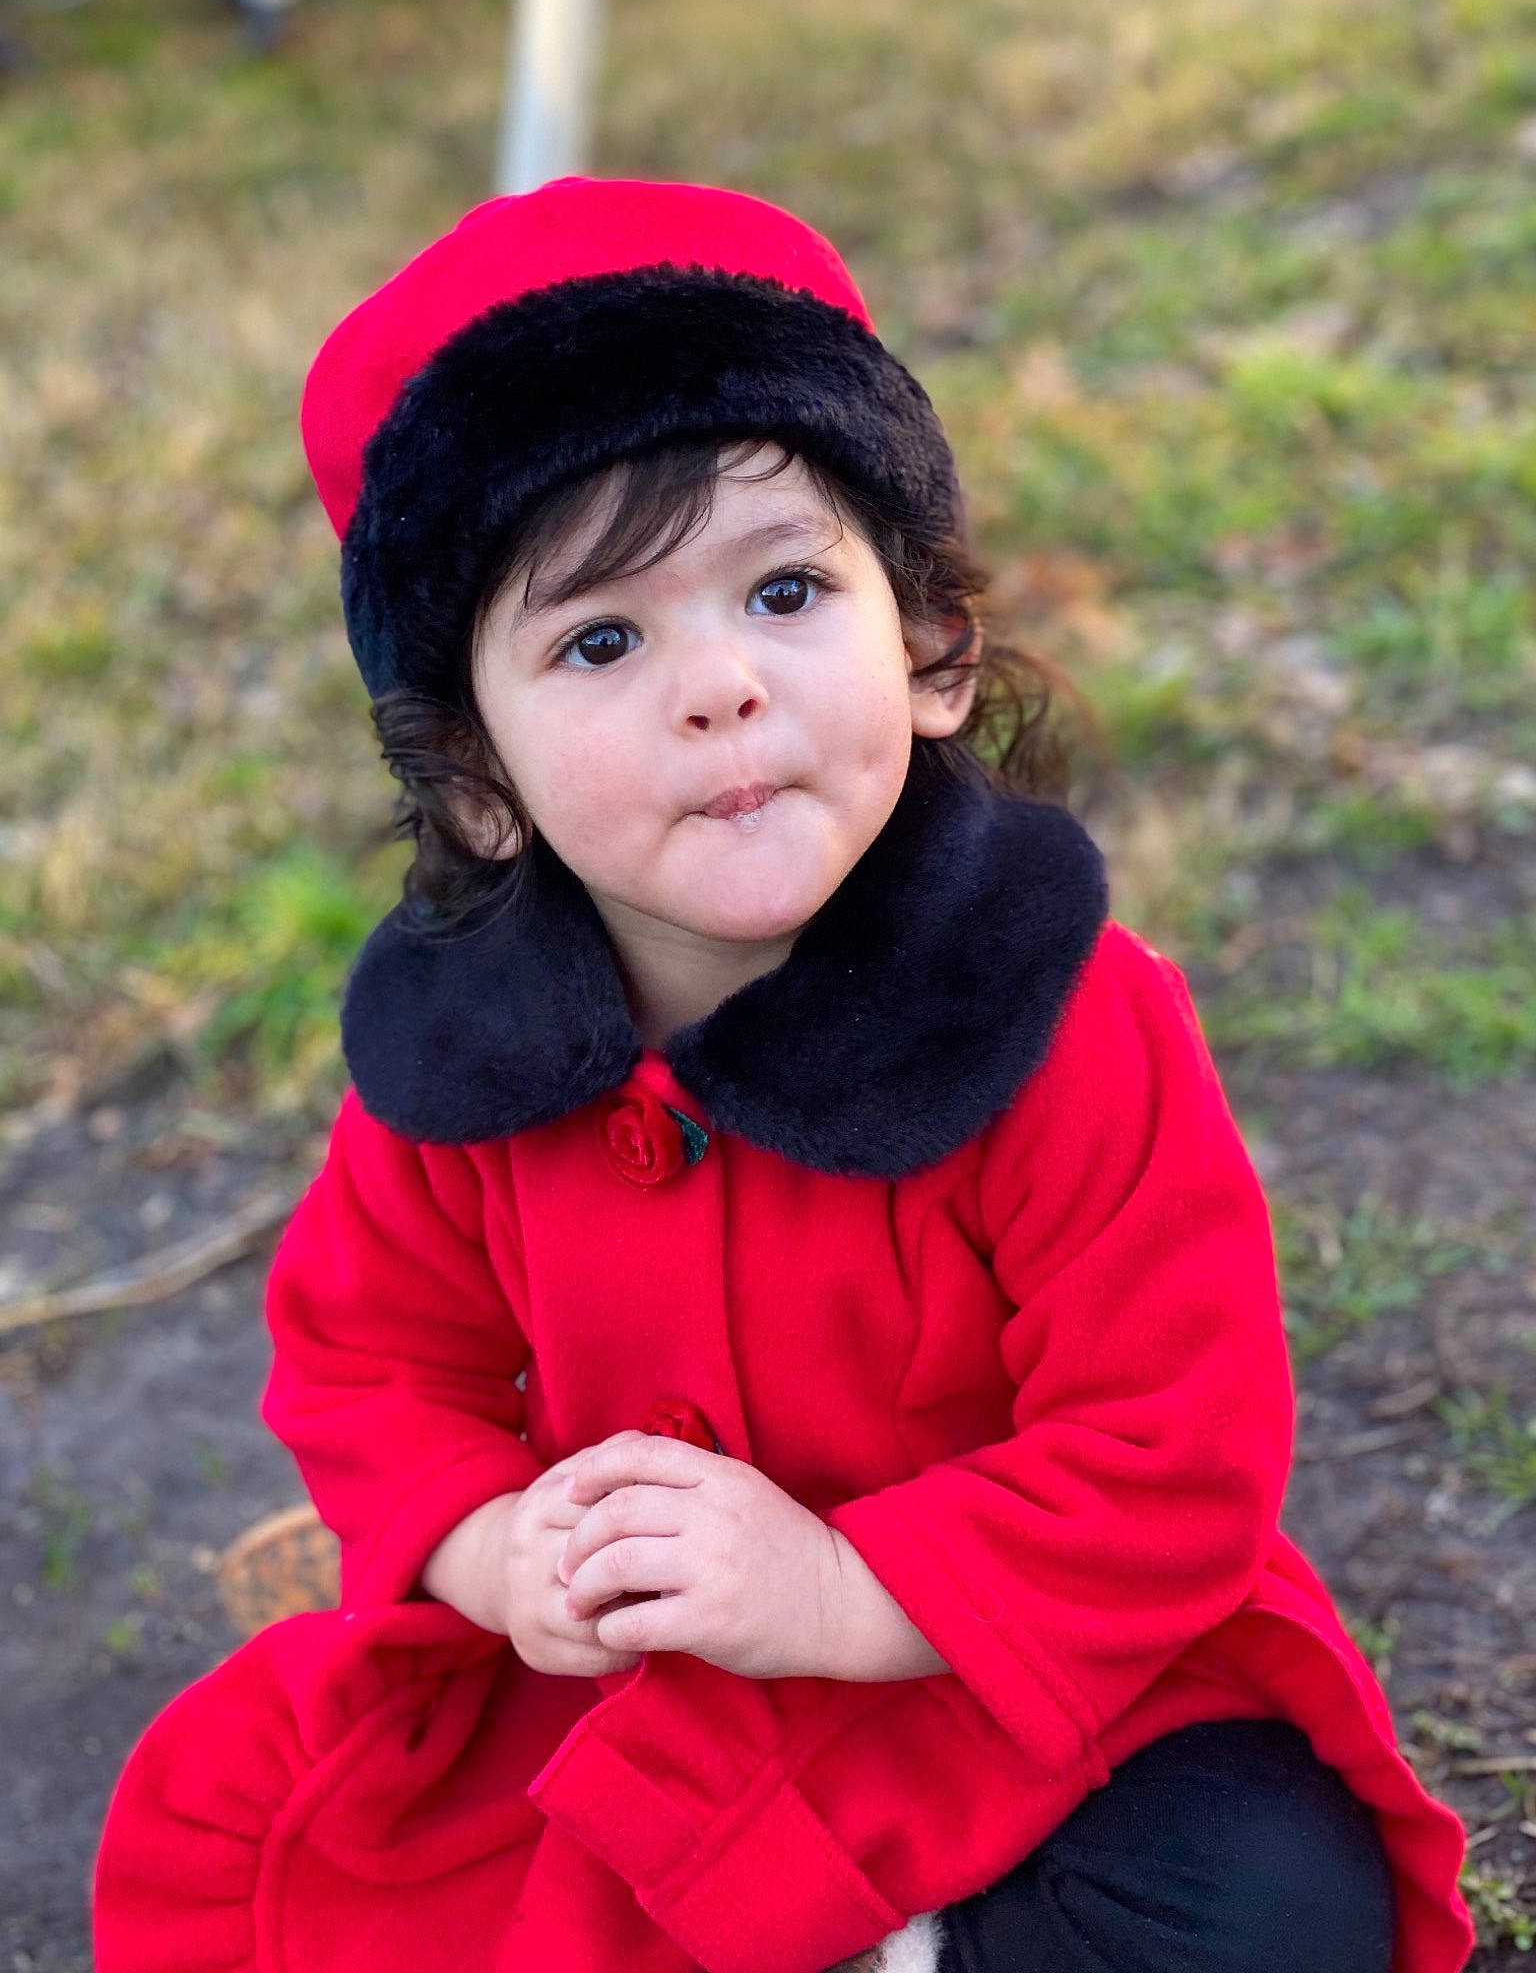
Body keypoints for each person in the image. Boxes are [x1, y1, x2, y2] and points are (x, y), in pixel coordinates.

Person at [92, 177, 1474, 1973]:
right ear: (476, 788)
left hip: (1019, 1684)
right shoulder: (462, 1070)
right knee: (263, 1832)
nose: (723, 685)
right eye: (603, 639)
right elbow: (367, 1362)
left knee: (1264, 1908)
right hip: (646, 1700)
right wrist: (495, 1547)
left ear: (933, 653)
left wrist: (845, 1589)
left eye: (786, 588)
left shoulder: (1064, 1019)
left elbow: (1174, 1448)